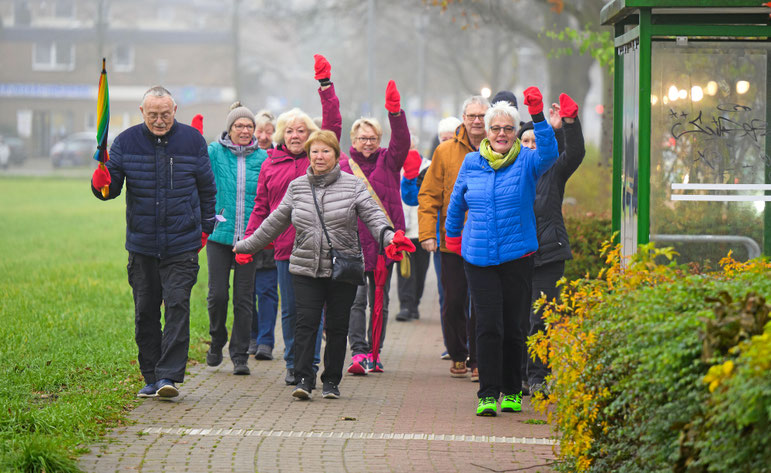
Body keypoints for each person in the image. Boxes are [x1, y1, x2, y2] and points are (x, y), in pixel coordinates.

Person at [234, 130, 395, 400]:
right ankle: (303, 379)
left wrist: (390, 238)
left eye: (326, 151)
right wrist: (245, 246)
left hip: (342, 267)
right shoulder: (297, 187)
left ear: (336, 155)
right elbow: (274, 222)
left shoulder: (353, 186)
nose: (319, 157)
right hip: (305, 267)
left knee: (336, 326)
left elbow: (374, 216)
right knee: (305, 323)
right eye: (315, 152)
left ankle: (331, 380)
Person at [90, 85, 217, 399]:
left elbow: (207, 189)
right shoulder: (124, 142)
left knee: (177, 306)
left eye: (165, 114)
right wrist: (101, 183)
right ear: (142, 113)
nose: (159, 121)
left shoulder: (192, 141)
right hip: (142, 244)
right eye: (152, 115)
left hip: (182, 242)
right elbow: (112, 189)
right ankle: (150, 375)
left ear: (174, 111)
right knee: (145, 311)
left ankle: (169, 376)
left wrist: (206, 228)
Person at [444, 88, 559, 417]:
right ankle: (487, 393)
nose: (501, 134)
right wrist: (452, 237)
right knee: (488, 326)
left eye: (508, 129)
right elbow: (456, 201)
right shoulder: (471, 161)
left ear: (515, 132)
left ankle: (511, 391)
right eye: (496, 128)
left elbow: (549, 152)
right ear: (486, 131)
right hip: (478, 258)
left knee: (514, 326)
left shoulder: (526, 161)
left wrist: (538, 116)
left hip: (517, 256)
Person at [244, 54, 342, 386]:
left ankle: (310, 364)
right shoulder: (271, 163)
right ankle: (291, 363)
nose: (297, 135)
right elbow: (261, 208)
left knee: (313, 312)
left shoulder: (319, 158)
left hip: (318, 247)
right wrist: (247, 242)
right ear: (282, 134)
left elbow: (333, 124)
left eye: (303, 130)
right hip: (285, 248)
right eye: (291, 131)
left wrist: (325, 87)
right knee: (291, 311)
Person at [340, 80, 410, 375]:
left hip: (383, 242)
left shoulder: (389, 161)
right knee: (356, 299)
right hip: (353, 241)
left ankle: (374, 352)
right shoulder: (342, 164)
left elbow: (402, 142)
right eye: (362, 137)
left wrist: (395, 114)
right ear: (353, 140)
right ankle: (357, 352)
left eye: (373, 138)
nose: (367, 142)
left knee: (379, 298)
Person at [418, 96, 489, 381]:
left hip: (485, 240)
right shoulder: (445, 151)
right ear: (463, 117)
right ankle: (458, 353)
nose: (477, 121)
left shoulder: (499, 148)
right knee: (454, 301)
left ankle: (477, 360)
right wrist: (427, 234)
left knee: (482, 302)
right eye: (471, 115)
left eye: (482, 116)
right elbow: (429, 194)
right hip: (452, 241)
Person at [521, 94, 585, 397]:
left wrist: (567, 124)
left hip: (548, 254)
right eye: (526, 142)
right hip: (515, 255)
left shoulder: (554, 171)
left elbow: (574, 153)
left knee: (541, 319)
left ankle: (538, 376)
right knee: (517, 319)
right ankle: (516, 375)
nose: (531, 146)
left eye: (536, 141)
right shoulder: (509, 173)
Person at [204, 102, 268, 375]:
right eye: (239, 125)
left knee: (244, 298)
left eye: (249, 126)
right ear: (229, 129)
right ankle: (217, 339)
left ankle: (239, 354)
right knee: (218, 295)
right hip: (219, 235)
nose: (244, 130)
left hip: (249, 239)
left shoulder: (263, 158)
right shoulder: (213, 152)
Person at [248, 109, 280, 360]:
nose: (264, 135)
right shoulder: (243, 157)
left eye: (269, 131)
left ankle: (265, 341)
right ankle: (251, 334)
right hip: (247, 233)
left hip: (271, 236)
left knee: (267, 290)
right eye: (260, 130)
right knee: (246, 290)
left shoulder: (278, 159)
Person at [395, 137, 430, 322]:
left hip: (423, 228)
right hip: (403, 230)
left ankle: (414, 303)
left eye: (411, 147)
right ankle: (405, 306)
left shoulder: (427, 166)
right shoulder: (394, 167)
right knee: (405, 270)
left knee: (421, 269)